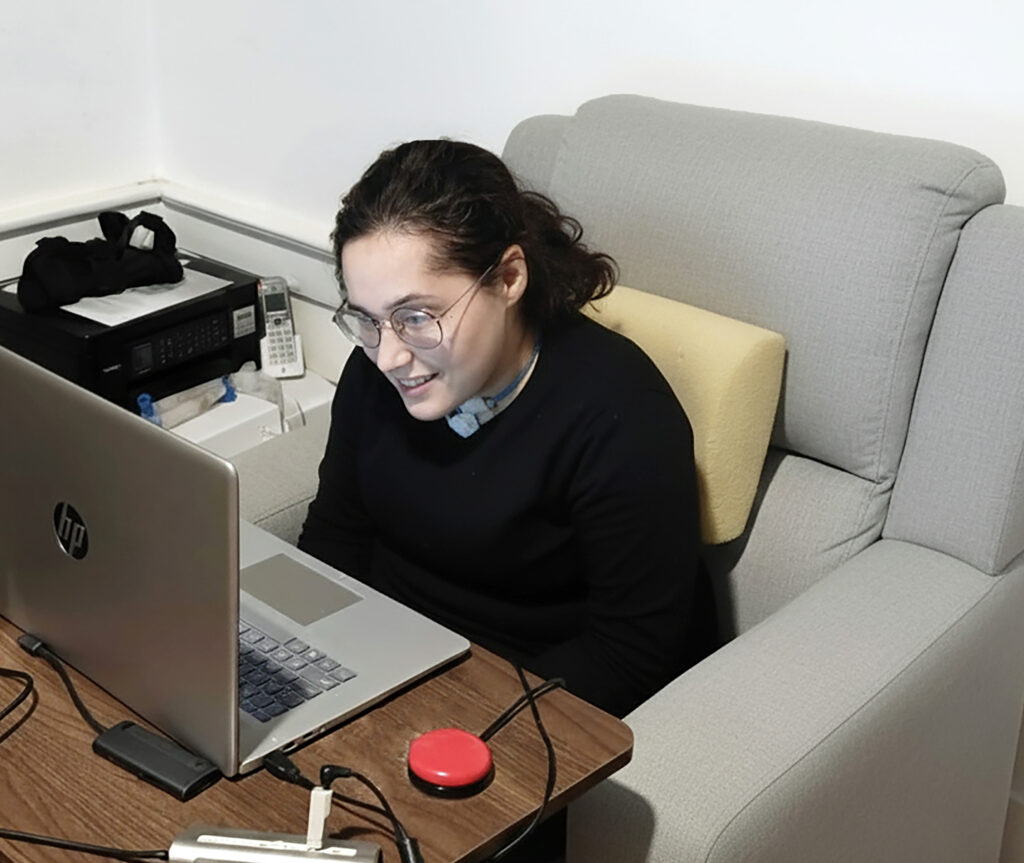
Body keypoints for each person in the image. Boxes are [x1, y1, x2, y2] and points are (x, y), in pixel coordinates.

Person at [298, 139, 714, 724]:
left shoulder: (622, 417)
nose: (389, 355)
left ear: (508, 277)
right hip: (389, 667)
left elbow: (630, 653)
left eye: (417, 317)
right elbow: (334, 538)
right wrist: (298, 658)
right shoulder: (380, 373)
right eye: (367, 320)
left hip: (527, 699)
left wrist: (453, 722)